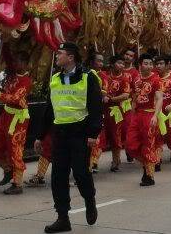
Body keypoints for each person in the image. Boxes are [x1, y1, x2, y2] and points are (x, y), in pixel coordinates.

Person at [38, 42, 103, 233]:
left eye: (60, 54)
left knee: (81, 174)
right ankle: (62, 217)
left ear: (71, 57)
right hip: (60, 134)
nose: (57, 56)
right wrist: (40, 136)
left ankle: (89, 200)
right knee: (58, 176)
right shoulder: (55, 79)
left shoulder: (88, 77)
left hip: (80, 134)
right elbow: (50, 109)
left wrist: (93, 133)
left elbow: (96, 107)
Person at [0, 51, 32, 194]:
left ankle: (17, 184)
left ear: (25, 64)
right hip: (6, 115)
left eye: (19, 61)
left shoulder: (26, 81)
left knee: (15, 150)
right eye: (14, 61)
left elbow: (15, 99)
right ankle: (7, 169)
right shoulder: (9, 75)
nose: (15, 64)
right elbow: (2, 87)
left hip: (19, 119)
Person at [126, 54, 163, 186]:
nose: (149, 66)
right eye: (146, 63)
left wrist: (155, 115)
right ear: (140, 64)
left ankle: (149, 176)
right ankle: (147, 165)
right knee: (131, 145)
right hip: (137, 116)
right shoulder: (135, 79)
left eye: (150, 63)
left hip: (149, 115)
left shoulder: (156, 79)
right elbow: (134, 98)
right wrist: (132, 113)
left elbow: (159, 98)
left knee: (148, 145)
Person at [100, 54, 131, 173]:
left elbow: (126, 95)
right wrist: (103, 95)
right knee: (101, 136)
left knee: (115, 136)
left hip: (116, 111)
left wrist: (111, 99)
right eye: (119, 63)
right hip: (104, 111)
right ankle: (93, 163)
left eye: (123, 64)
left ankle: (116, 161)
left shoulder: (124, 79)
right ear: (112, 64)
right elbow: (102, 90)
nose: (122, 65)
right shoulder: (106, 77)